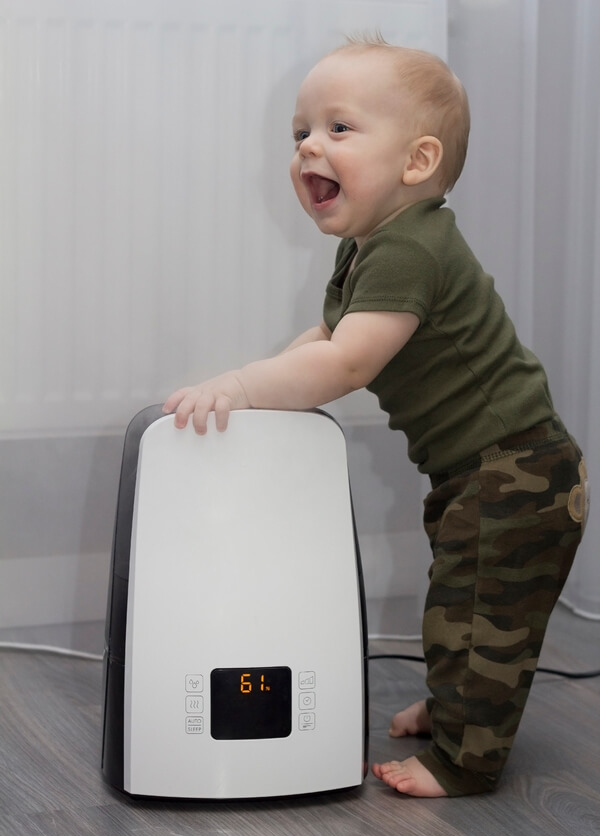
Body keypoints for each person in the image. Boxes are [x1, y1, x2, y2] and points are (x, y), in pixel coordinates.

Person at [163, 37, 588, 797]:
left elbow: (348, 363)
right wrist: (261, 386)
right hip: (484, 467)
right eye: (301, 132)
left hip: (515, 470)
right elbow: (324, 339)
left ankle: (465, 759)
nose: (307, 149)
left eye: (338, 129)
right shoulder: (374, 247)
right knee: (458, 598)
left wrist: (242, 383)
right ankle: (459, 706)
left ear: (417, 163)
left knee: (481, 615)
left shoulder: (409, 250)